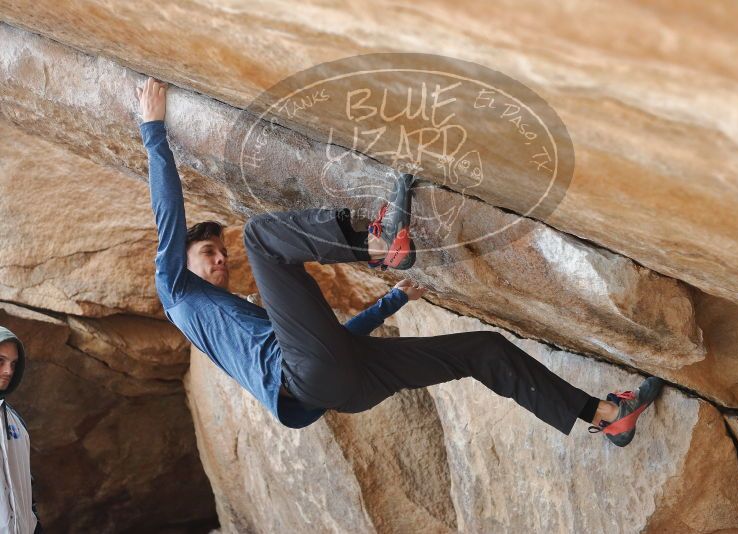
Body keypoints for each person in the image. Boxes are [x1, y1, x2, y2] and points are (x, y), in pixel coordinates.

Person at [137, 77, 663, 446]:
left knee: (483, 350)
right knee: (261, 237)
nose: (219, 263)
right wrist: (152, 129)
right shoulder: (176, 292)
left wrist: (390, 303)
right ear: (180, 266)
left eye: (218, 256)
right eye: (208, 254)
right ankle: (378, 242)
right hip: (310, 381)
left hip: (347, 386)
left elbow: (331, 346)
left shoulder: (237, 317)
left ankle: (607, 416)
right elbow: (168, 216)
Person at [0, 327, 42, 533]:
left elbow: (27, 490)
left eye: (14, 364)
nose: (8, 371)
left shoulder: (17, 422)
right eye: (0, 361)